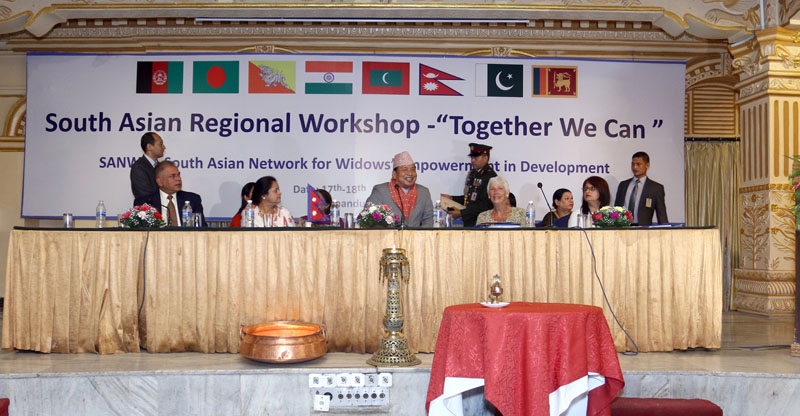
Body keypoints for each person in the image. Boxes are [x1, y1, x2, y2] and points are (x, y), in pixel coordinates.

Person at [365, 151, 434, 227]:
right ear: (394, 174)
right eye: (405, 169)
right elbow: (369, 217)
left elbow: (428, 220)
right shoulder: (381, 191)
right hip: (388, 237)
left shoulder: (424, 192)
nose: (410, 173)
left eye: (413, 169)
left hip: (416, 238)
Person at [133, 160, 206, 226]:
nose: (178, 179)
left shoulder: (193, 199)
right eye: (173, 176)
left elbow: (202, 228)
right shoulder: (144, 202)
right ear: (160, 182)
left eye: (178, 175)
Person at [442, 143, 497, 227]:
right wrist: (452, 198)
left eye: (476, 157)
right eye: (472, 157)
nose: (472, 160)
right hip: (470, 222)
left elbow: (486, 205)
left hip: (482, 223)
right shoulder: (473, 173)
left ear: (485, 158)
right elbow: (470, 198)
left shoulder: (490, 176)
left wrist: (462, 213)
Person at [614, 151, 668, 226]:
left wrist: (665, 231)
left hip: (643, 229)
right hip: (623, 228)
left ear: (647, 165)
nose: (635, 167)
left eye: (638, 164)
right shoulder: (623, 185)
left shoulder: (656, 188)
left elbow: (661, 214)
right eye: (633, 164)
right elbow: (616, 209)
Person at [130, 132, 165, 200]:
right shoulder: (139, 167)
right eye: (160, 144)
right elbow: (146, 196)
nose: (164, 147)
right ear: (149, 147)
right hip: (149, 209)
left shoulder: (161, 166)